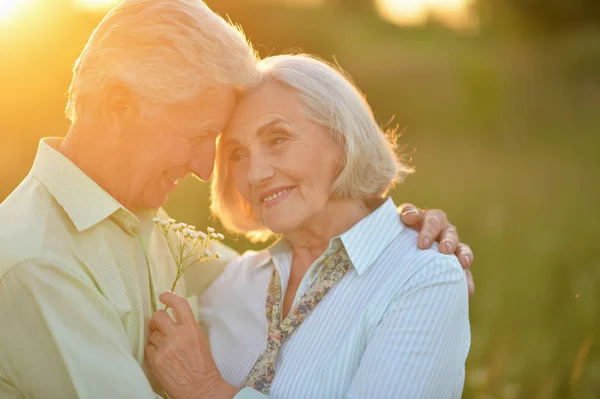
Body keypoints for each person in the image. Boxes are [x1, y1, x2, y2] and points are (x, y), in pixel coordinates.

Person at [0, 1, 473, 398]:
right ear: (119, 106)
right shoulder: (38, 260)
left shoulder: (152, 229)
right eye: (213, 140)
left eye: (279, 138)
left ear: (343, 140)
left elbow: (330, 260)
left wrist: (408, 241)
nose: (209, 170)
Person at [145, 55, 471, 399]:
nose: (255, 174)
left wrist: (207, 391)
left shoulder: (422, 276)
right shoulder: (228, 283)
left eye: (278, 139)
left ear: (342, 139)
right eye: (237, 154)